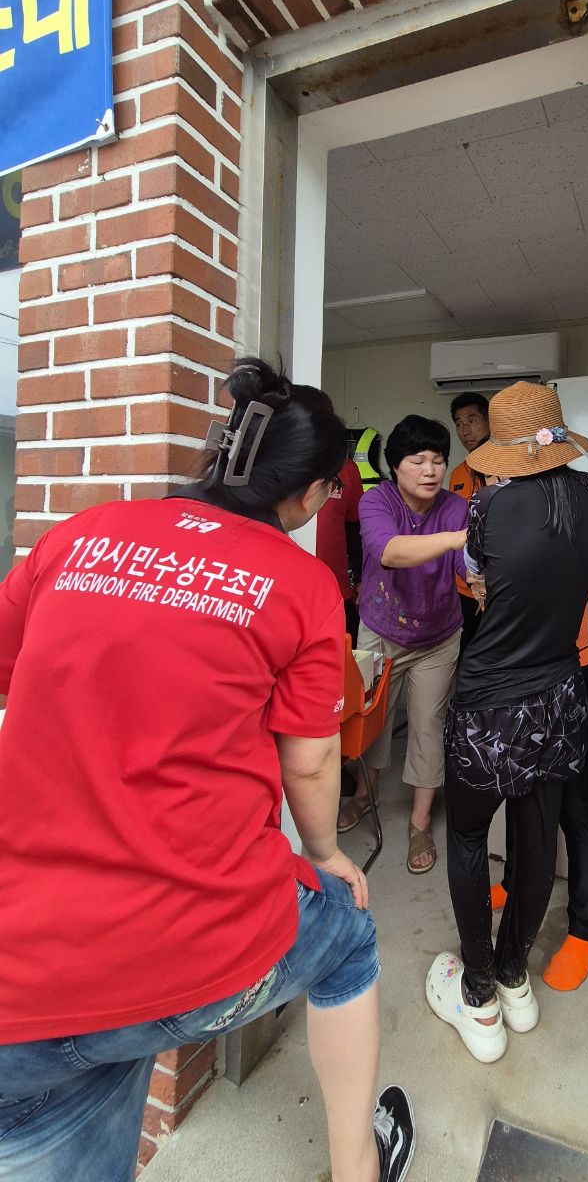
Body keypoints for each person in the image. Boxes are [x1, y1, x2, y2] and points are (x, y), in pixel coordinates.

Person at [0, 358, 415, 1182]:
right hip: (178, 946)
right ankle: (359, 1168)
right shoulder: (300, 585)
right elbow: (309, 762)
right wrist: (326, 855)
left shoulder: (80, 534)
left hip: (19, 970)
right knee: (348, 934)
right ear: (311, 494)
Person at [426, 382, 588, 1062]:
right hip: (561, 697)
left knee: (465, 837)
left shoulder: (487, 504)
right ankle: (515, 975)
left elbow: (476, 574)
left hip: (489, 704)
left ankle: (479, 993)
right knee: (539, 836)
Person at [338, 415, 467, 876]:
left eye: (438, 460)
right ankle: (364, 795)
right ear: (396, 465)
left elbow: (465, 565)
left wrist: (480, 574)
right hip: (381, 630)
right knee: (371, 722)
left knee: (428, 725)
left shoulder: (456, 507)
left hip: (438, 636)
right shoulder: (377, 500)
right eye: (418, 460)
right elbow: (388, 552)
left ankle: (419, 823)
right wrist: (455, 539)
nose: (430, 470)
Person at [491, 595, 588, 992]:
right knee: (518, 789)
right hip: (518, 672)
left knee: (575, 806)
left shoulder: (578, 546)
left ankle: (585, 928)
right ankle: (513, 881)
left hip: (571, 671)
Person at [314, 392, 364, 645]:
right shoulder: (281, 467)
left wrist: (361, 579)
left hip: (338, 590)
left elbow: (355, 529)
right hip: (289, 591)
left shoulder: (346, 469)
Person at [448, 392, 489, 653]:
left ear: (489, 420)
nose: (465, 430)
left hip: (497, 586)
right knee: (464, 655)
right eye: (459, 423)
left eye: (472, 420)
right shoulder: (457, 474)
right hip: (464, 587)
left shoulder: (506, 469)